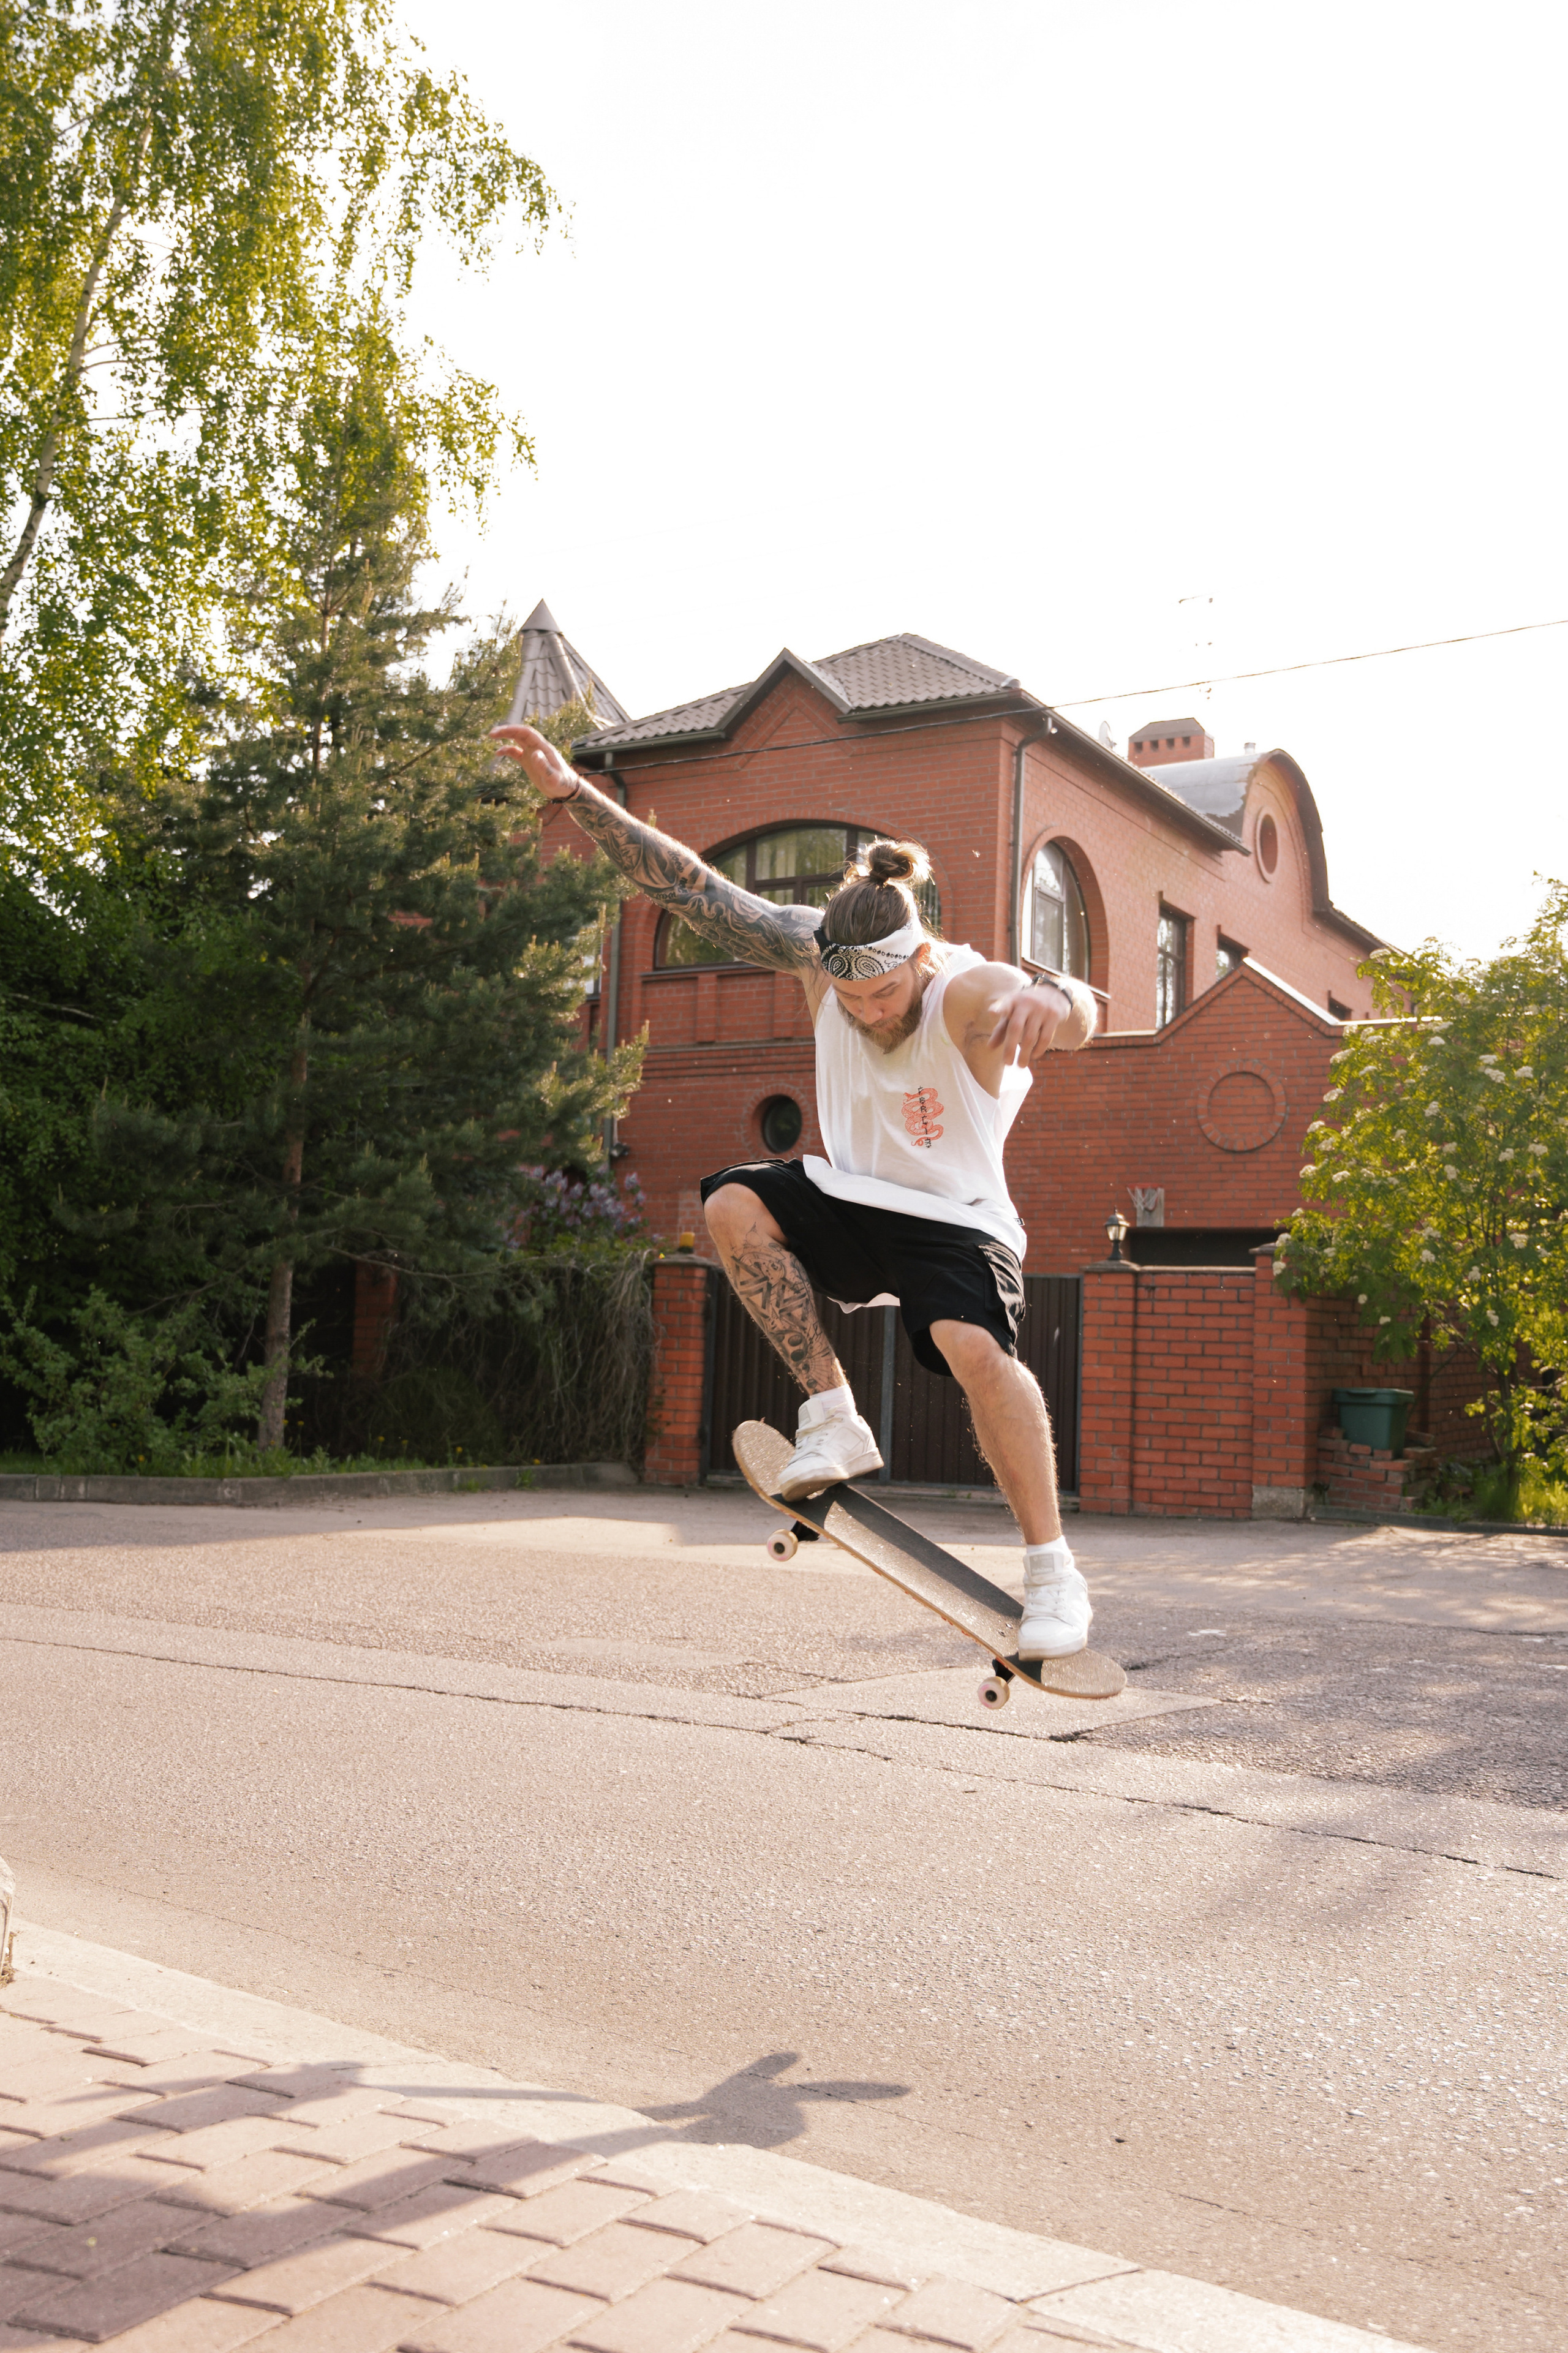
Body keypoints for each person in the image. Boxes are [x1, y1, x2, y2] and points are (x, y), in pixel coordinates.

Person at [490, 723, 1099, 1658]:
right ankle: (834, 1418)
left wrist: (1058, 996)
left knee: (973, 1349)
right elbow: (692, 887)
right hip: (854, 1197)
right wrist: (576, 795)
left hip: (959, 1223)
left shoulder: (968, 989)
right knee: (731, 1204)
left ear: (920, 960)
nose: (868, 1014)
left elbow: (1081, 1012)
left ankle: (1054, 1574)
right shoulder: (816, 953)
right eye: (850, 1002)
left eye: (883, 997)